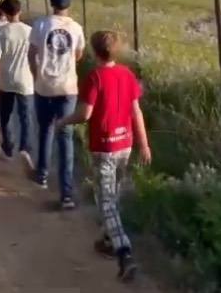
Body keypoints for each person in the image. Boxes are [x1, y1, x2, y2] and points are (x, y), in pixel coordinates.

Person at [55, 30, 151, 282]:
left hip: (104, 147)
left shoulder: (94, 77)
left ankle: (124, 252)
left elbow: (85, 114)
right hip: (125, 144)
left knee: (106, 201)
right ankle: (108, 240)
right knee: (114, 194)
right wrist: (144, 144)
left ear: (94, 51)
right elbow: (136, 111)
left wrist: (63, 121)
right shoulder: (127, 74)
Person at [28, 0, 85, 208]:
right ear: (69, 4)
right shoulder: (76, 28)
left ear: (51, 3)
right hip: (67, 88)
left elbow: (31, 54)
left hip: (44, 85)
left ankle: (42, 174)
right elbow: (78, 54)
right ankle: (66, 193)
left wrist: (36, 76)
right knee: (66, 137)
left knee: (45, 129)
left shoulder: (40, 24)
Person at [0, 0, 34, 171]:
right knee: (25, 116)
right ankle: (25, 147)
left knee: (6, 115)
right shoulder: (30, 31)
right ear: (19, 11)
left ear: (4, 12)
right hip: (25, 79)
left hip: (7, 79)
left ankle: (7, 149)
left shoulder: (0, 32)